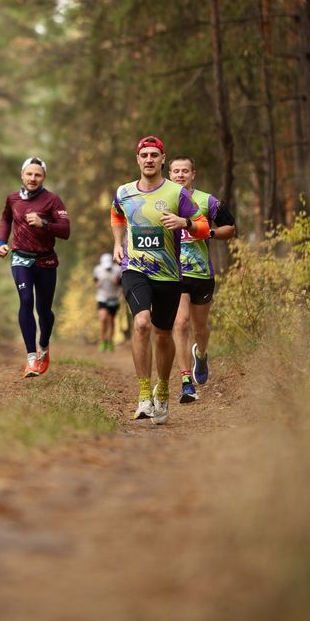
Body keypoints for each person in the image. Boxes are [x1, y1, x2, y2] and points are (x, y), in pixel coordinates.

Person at [110, 135, 210, 425]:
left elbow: (203, 226)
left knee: (163, 334)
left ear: (163, 159)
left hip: (168, 274)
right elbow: (117, 215)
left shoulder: (177, 194)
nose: (149, 159)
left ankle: (163, 389)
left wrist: (185, 222)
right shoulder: (125, 192)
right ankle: (143, 394)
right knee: (141, 323)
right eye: (145, 155)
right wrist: (118, 243)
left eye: (155, 155)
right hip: (135, 269)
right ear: (138, 160)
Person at [168, 156, 236, 402]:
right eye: (175, 171)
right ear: (170, 174)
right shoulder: (163, 200)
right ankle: (186, 382)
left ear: (193, 174)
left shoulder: (208, 201)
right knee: (181, 323)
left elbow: (231, 227)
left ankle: (202, 354)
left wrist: (210, 232)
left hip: (201, 273)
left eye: (185, 171)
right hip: (174, 272)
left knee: (200, 329)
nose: (180, 175)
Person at [0, 157, 70, 378]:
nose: (33, 178)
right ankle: (31, 358)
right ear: (22, 175)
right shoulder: (12, 198)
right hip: (20, 257)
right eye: (29, 174)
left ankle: (44, 347)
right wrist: (2, 243)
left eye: (37, 175)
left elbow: (65, 231)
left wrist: (44, 223)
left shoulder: (52, 200)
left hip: (46, 260)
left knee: (44, 310)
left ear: (43, 177)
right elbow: (5, 220)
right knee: (26, 300)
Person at [93, 252, 122, 351]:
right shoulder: (97, 270)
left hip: (114, 297)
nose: (108, 269)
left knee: (111, 320)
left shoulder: (118, 270)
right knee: (103, 318)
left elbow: (122, 284)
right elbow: (95, 281)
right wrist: (98, 284)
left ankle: (109, 341)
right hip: (102, 297)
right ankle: (103, 341)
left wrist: (117, 282)